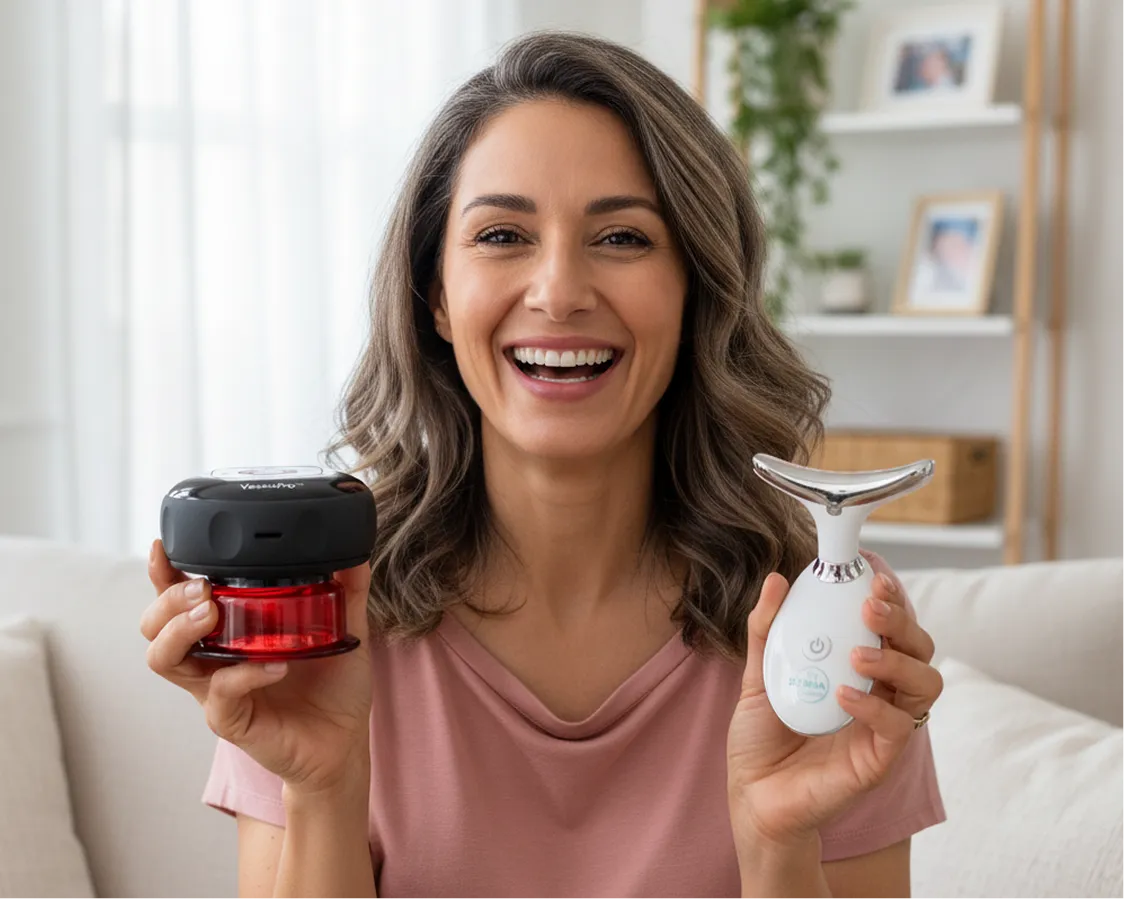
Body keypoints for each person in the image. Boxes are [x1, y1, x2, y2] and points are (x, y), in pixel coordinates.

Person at [141, 31, 945, 899]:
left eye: (623, 238)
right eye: (501, 234)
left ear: (695, 289)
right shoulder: (324, 614)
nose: (559, 291)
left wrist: (780, 843)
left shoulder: (821, 628)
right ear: (436, 295)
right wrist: (324, 786)